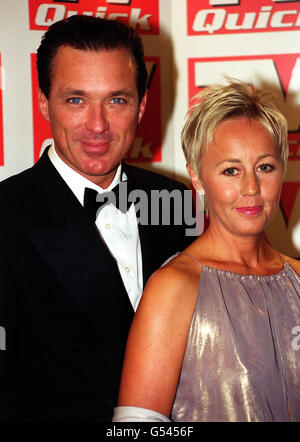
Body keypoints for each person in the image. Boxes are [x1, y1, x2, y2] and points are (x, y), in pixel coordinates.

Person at [0, 15, 194, 421]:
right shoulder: (6, 214)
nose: (98, 125)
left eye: (117, 100)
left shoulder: (176, 201)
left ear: (142, 104)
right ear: (43, 102)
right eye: (76, 99)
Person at [113, 79, 300, 422]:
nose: (251, 188)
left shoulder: (297, 279)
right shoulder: (175, 287)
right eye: (231, 170)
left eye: (265, 167)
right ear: (197, 178)